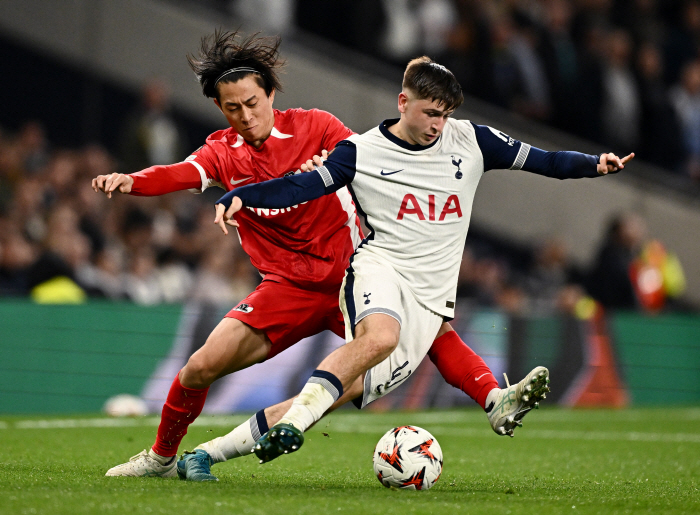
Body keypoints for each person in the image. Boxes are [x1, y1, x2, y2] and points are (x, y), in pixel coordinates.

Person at [92, 31, 508, 480]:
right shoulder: (221, 153)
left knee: (430, 331)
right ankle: (161, 457)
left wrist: (334, 169)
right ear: (219, 108)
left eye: (253, 102)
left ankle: (495, 398)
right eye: (233, 108)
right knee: (200, 367)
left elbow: (373, 161)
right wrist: (134, 180)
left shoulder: (318, 128)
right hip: (287, 288)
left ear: (271, 93)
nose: (246, 116)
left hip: (354, 276)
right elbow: (181, 172)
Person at [211, 56, 633, 466]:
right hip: (378, 269)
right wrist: (240, 196)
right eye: (430, 112)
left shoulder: (472, 140)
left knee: (361, 378)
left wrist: (594, 164)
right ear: (402, 102)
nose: (438, 125)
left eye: (445, 114)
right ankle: (297, 426)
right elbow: (298, 189)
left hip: (429, 289)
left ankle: (210, 453)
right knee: (379, 338)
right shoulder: (360, 152)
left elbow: (546, 161)